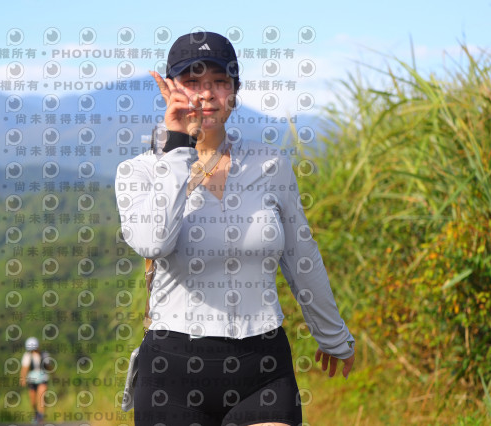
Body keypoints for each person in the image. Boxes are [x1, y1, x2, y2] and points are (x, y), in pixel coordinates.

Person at [115, 31, 356, 426]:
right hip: (172, 369)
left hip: (263, 364)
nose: (207, 94)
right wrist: (178, 147)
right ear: (169, 89)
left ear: (235, 91)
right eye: (192, 81)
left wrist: (333, 336)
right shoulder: (139, 171)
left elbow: (302, 257)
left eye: (219, 81)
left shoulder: (270, 165)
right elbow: (152, 242)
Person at [19, 337, 50, 424]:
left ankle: (41, 417)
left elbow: (49, 367)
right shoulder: (27, 356)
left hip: (42, 378)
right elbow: (24, 368)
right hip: (32, 380)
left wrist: (54, 374)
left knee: (41, 397)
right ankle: (36, 414)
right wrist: (22, 379)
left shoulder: (44, 354)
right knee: (33, 401)